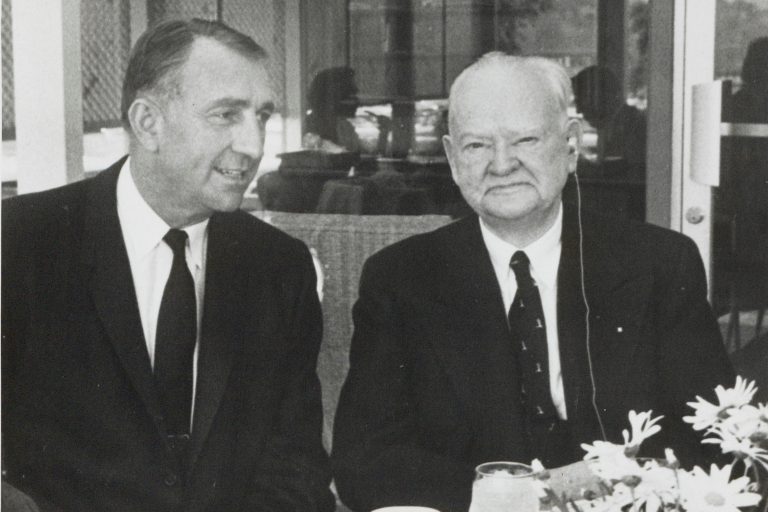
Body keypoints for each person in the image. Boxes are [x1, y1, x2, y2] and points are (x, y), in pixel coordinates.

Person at [331, 52, 734, 512]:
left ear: (571, 144)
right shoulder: (401, 279)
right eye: (477, 145)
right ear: (450, 157)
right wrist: (531, 496)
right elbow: (363, 463)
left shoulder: (659, 264)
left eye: (525, 139)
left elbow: (713, 441)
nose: (502, 165)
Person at [2, 19, 334, 512]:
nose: (254, 145)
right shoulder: (20, 243)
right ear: (147, 123)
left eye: (261, 117)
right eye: (226, 115)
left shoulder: (280, 268)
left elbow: (296, 469)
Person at [571, 65, 646, 174]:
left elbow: (622, 177)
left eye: (580, 99)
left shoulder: (634, 127)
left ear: (601, 96)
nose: (578, 110)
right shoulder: (620, 124)